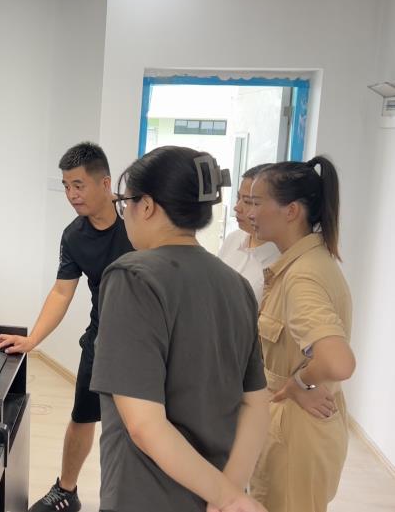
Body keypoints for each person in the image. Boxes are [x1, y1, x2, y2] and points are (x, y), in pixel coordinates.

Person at [90, 146, 270, 512]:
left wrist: (227, 497)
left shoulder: (134, 278)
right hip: (212, 493)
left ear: (147, 206)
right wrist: (228, 492)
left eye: (125, 203)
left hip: (146, 497)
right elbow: (256, 403)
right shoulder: (235, 285)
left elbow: (143, 424)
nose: (125, 215)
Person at [0, 142, 133, 512]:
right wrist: (33, 339)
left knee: (137, 427)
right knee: (82, 417)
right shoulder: (74, 235)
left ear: (105, 184)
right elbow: (61, 291)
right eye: (67, 186)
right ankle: (66, 491)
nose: (72, 195)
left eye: (79, 185)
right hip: (102, 338)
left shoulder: (138, 218)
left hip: (146, 341)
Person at [247, 157, 355, 512]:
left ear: (291, 211)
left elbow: (337, 362)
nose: (249, 212)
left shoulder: (302, 276)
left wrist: (298, 384)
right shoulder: (307, 263)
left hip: (295, 435)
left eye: (256, 202)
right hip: (296, 428)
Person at [218, 164, 280, 303]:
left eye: (248, 201)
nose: (237, 207)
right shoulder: (234, 238)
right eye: (238, 198)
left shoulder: (281, 257)